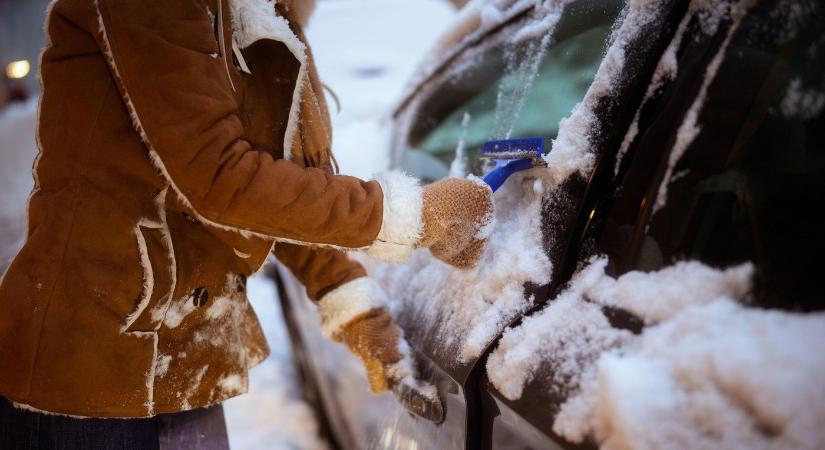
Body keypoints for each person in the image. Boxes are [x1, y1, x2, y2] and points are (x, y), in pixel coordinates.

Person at [0, 0, 493, 448]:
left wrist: (351, 302)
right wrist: (413, 215)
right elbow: (218, 176)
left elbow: (281, 186)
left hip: (187, 361)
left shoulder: (262, 11)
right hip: (89, 367)